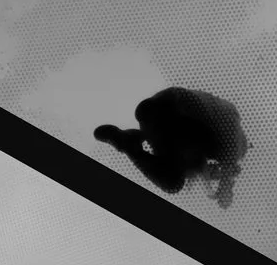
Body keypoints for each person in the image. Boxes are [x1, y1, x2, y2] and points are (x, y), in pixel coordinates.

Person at [93, 86, 250, 208]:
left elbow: (191, 164)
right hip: (175, 107)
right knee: (173, 181)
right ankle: (131, 146)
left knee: (172, 182)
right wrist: (225, 183)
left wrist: (220, 177)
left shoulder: (220, 140)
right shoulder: (229, 139)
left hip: (164, 110)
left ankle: (130, 145)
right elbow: (221, 154)